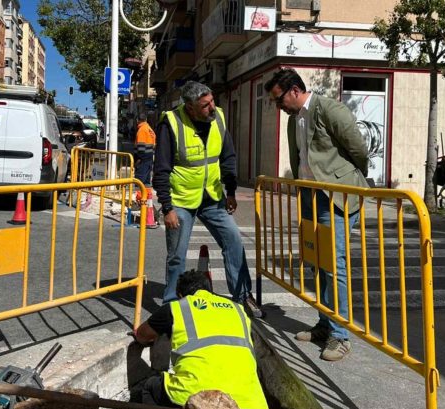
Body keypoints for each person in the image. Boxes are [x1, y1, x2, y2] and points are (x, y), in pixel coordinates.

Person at [264, 68, 369, 362]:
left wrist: (349, 179)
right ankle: (325, 325)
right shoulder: (293, 120)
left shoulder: (328, 110)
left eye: (279, 99)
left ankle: (341, 335)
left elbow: (358, 150)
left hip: (334, 196)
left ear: (295, 90)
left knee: (334, 266)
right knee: (318, 263)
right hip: (310, 196)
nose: (278, 106)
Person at [153, 80, 263, 318]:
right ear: (190, 108)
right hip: (181, 200)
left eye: (212, 101)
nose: (212, 108)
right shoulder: (170, 123)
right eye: (205, 105)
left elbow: (228, 157)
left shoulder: (219, 118)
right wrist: (167, 207)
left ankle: (243, 296)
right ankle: (172, 305)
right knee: (177, 255)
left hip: (212, 197)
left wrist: (231, 191)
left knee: (233, 241)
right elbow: (160, 169)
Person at [132, 269, 270, 409]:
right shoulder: (239, 309)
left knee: (150, 387)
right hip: (249, 402)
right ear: (209, 290)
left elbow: (142, 335)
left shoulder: (178, 307)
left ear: (180, 294)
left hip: (195, 396)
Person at [134, 111, 156, 186]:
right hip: (149, 156)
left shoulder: (141, 130)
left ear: (138, 120)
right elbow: (153, 144)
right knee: (146, 181)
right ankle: (146, 196)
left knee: (139, 181)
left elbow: (141, 147)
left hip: (143, 159)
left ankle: (140, 196)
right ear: (146, 120)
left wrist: (138, 160)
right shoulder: (150, 129)